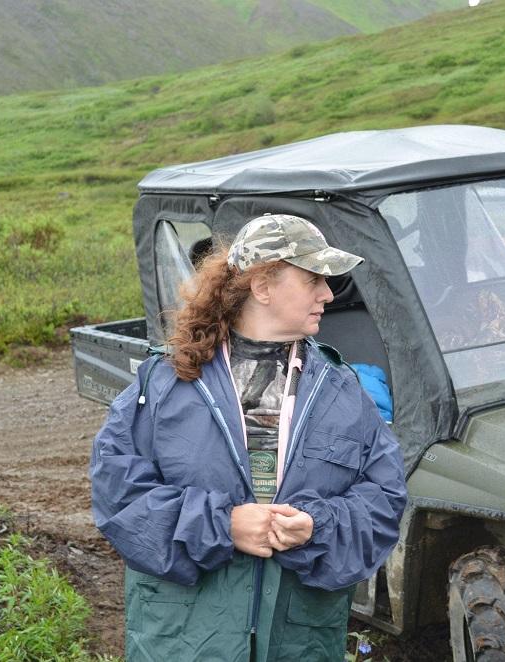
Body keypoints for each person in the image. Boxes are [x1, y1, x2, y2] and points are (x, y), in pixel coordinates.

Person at [90, 213, 408, 661]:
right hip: (186, 642)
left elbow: (383, 500)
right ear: (262, 286)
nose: (328, 294)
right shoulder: (163, 385)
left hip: (299, 643)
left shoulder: (342, 390)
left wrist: (316, 528)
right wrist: (223, 525)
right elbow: (119, 499)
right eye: (312, 278)